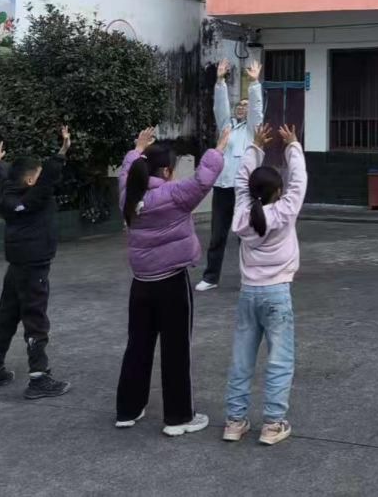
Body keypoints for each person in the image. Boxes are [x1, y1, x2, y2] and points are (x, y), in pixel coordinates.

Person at [114, 125, 228, 435]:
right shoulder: (174, 195)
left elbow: (125, 173)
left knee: (137, 345)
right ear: (166, 171)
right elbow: (203, 179)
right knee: (176, 349)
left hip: (140, 284)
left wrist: (136, 149)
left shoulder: (128, 195)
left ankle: (127, 410)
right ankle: (178, 418)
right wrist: (218, 149)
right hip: (171, 284)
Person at [222, 122, 307, 447]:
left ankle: (234, 421)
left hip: (249, 294)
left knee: (241, 359)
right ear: (278, 192)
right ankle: (272, 424)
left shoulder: (242, 214)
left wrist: (255, 148)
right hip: (277, 294)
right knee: (279, 360)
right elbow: (299, 181)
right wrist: (293, 146)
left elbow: (241, 181)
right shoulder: (285, 211)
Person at [0, 126, 72, 399]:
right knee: (35, 319)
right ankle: (38, 379)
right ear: (31, 181)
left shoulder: (9, 195)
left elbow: (4, 177)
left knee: (6, 318)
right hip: (34, 268)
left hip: (16, 267)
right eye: (38, 176)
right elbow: (49, 178)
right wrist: (62, 151)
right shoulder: (36, 198)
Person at [198, 58, 264, 292]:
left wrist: (254, 83)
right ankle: (210, 277)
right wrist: (220, 80)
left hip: (244, 190)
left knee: (245, 235)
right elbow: (220, 107)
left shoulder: (252, 130)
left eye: (246, 105)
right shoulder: (226, 127)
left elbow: (256, 110)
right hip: (222, 188)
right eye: (240, 105)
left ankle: (251, 276)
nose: (242, 107)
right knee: (217, 235)